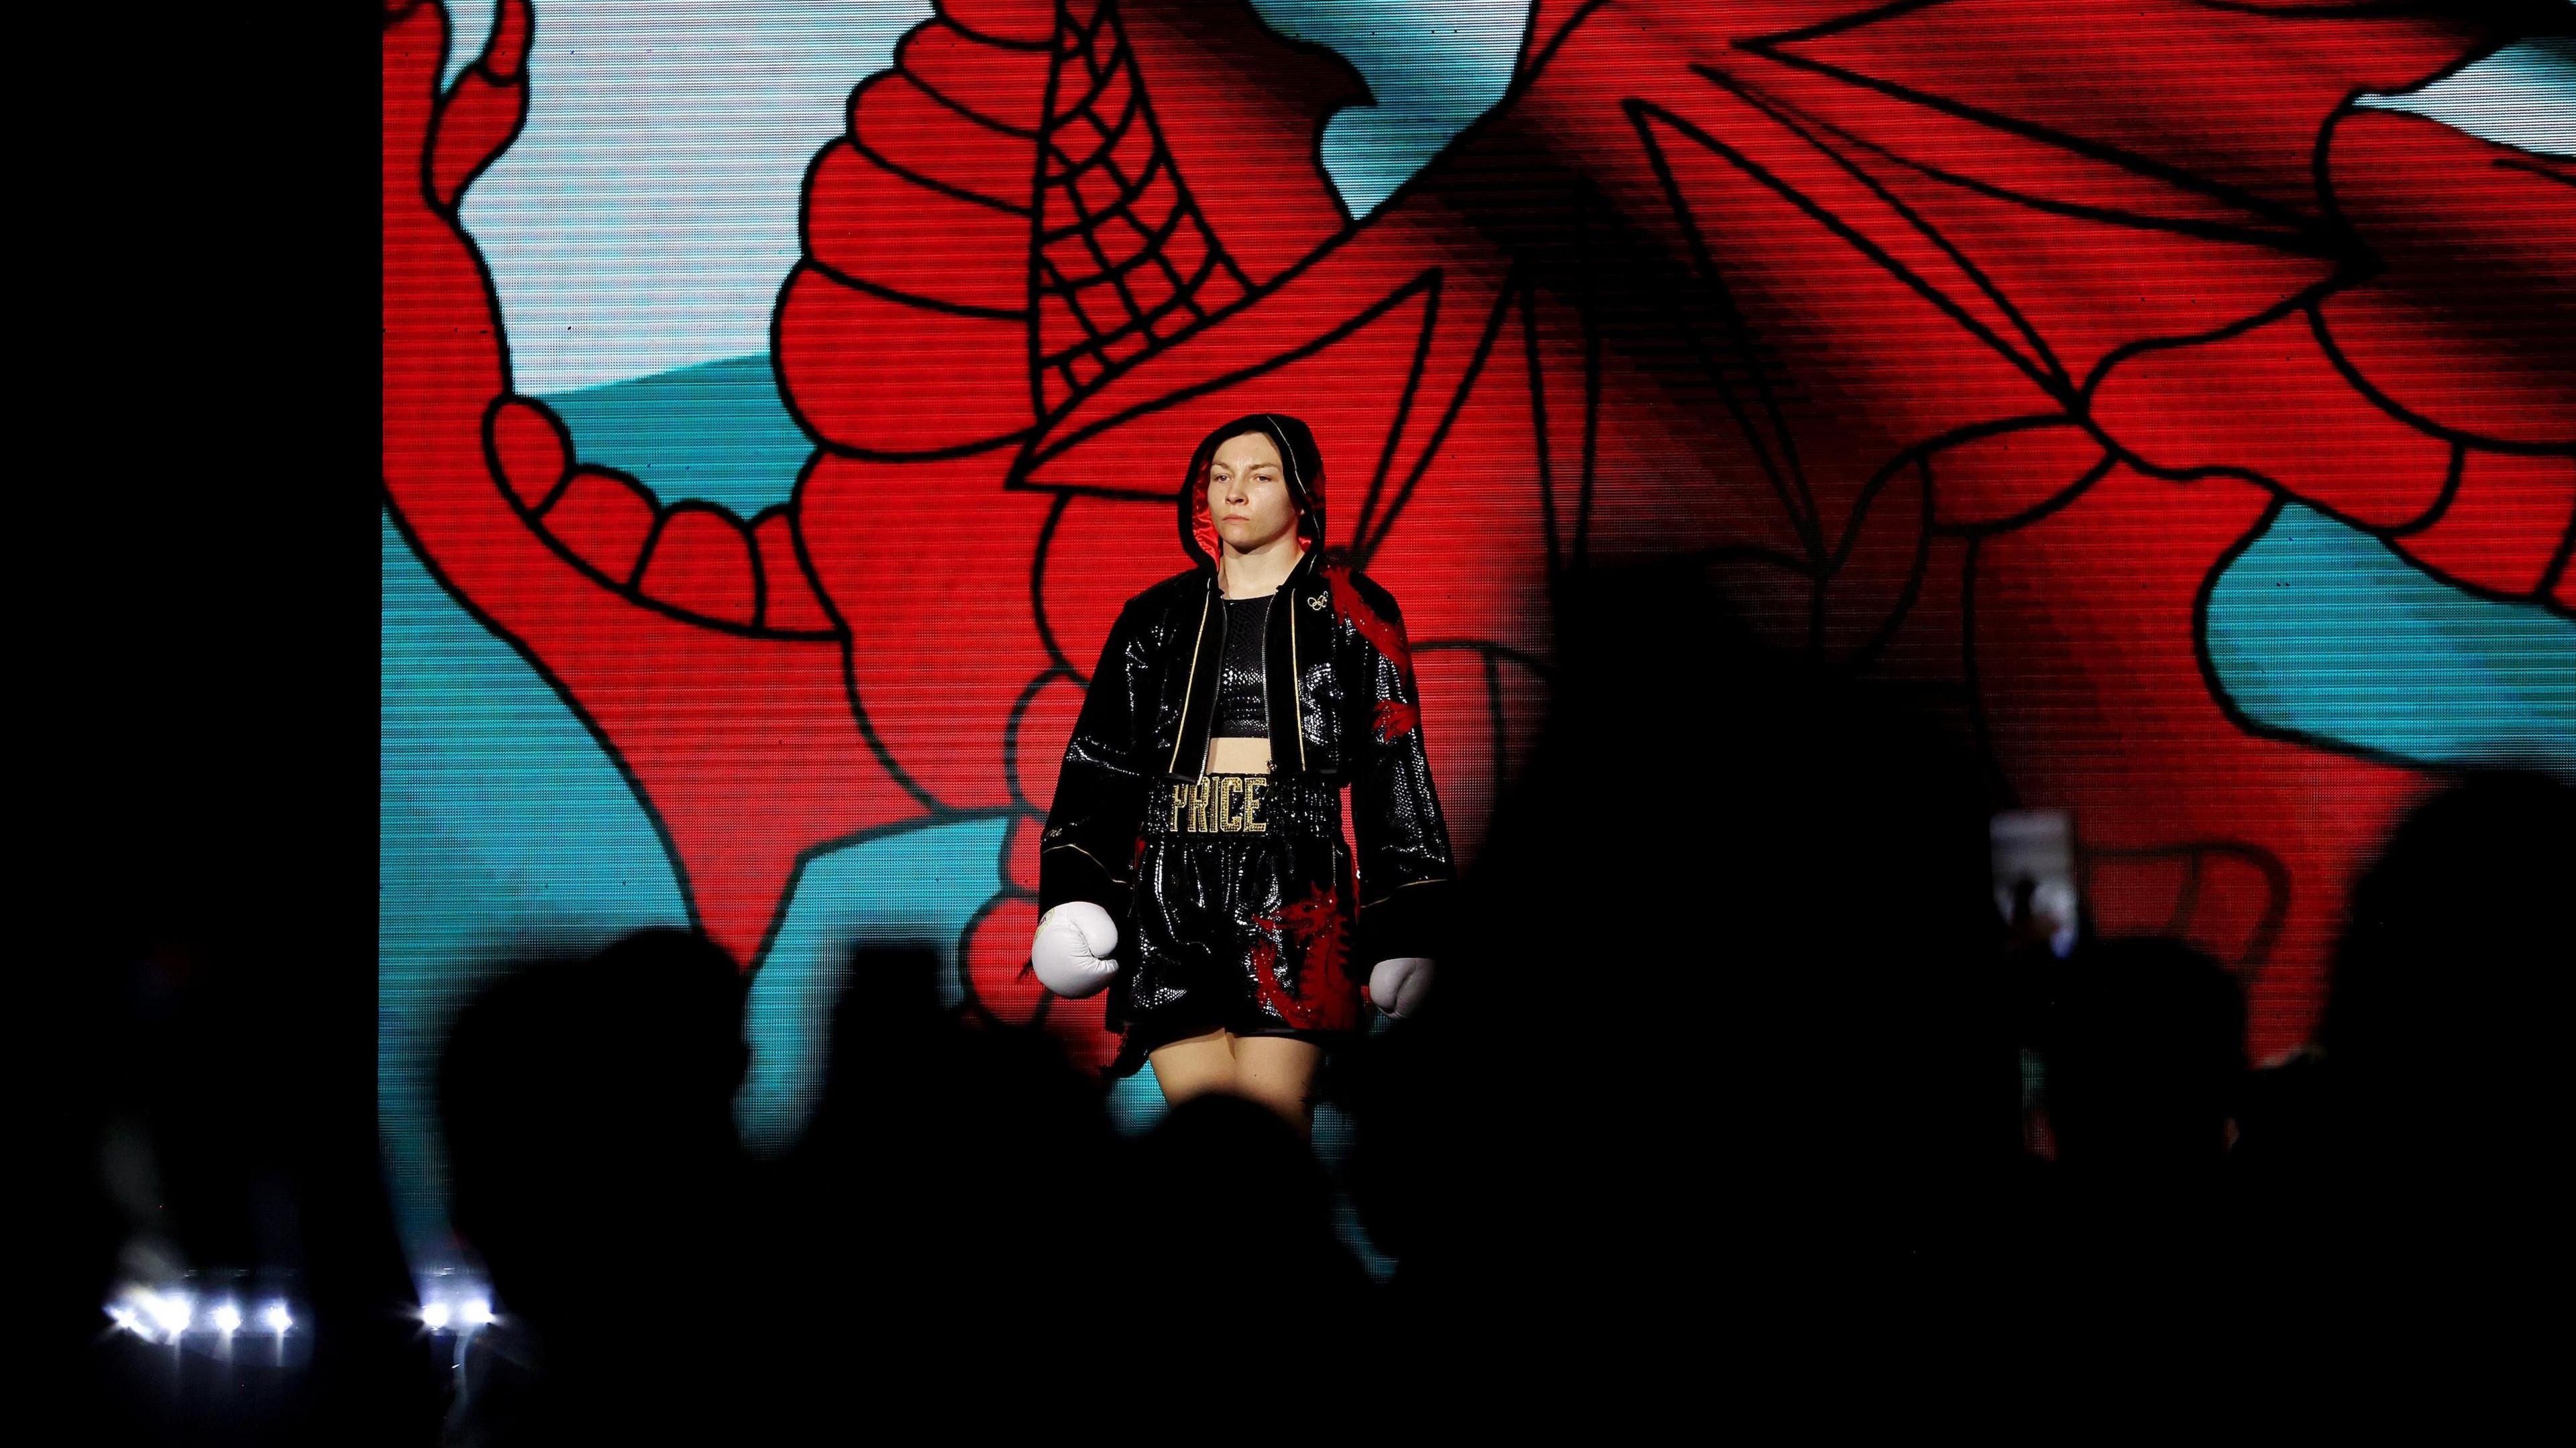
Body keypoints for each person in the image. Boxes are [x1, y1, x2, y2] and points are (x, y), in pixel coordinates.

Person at [1027, 413, 1456, 1129]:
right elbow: (1102, 758)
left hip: (1293, 882)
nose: (1235, 491)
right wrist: (1075, 891)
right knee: (1199, 1142)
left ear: (1301, 494)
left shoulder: (1355, 611)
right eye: (1219, 477)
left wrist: (1407, 924)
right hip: (1168, 879)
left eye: (1260, 475)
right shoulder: (1155, 617)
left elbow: (1393, 761)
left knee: (1269, 1128)